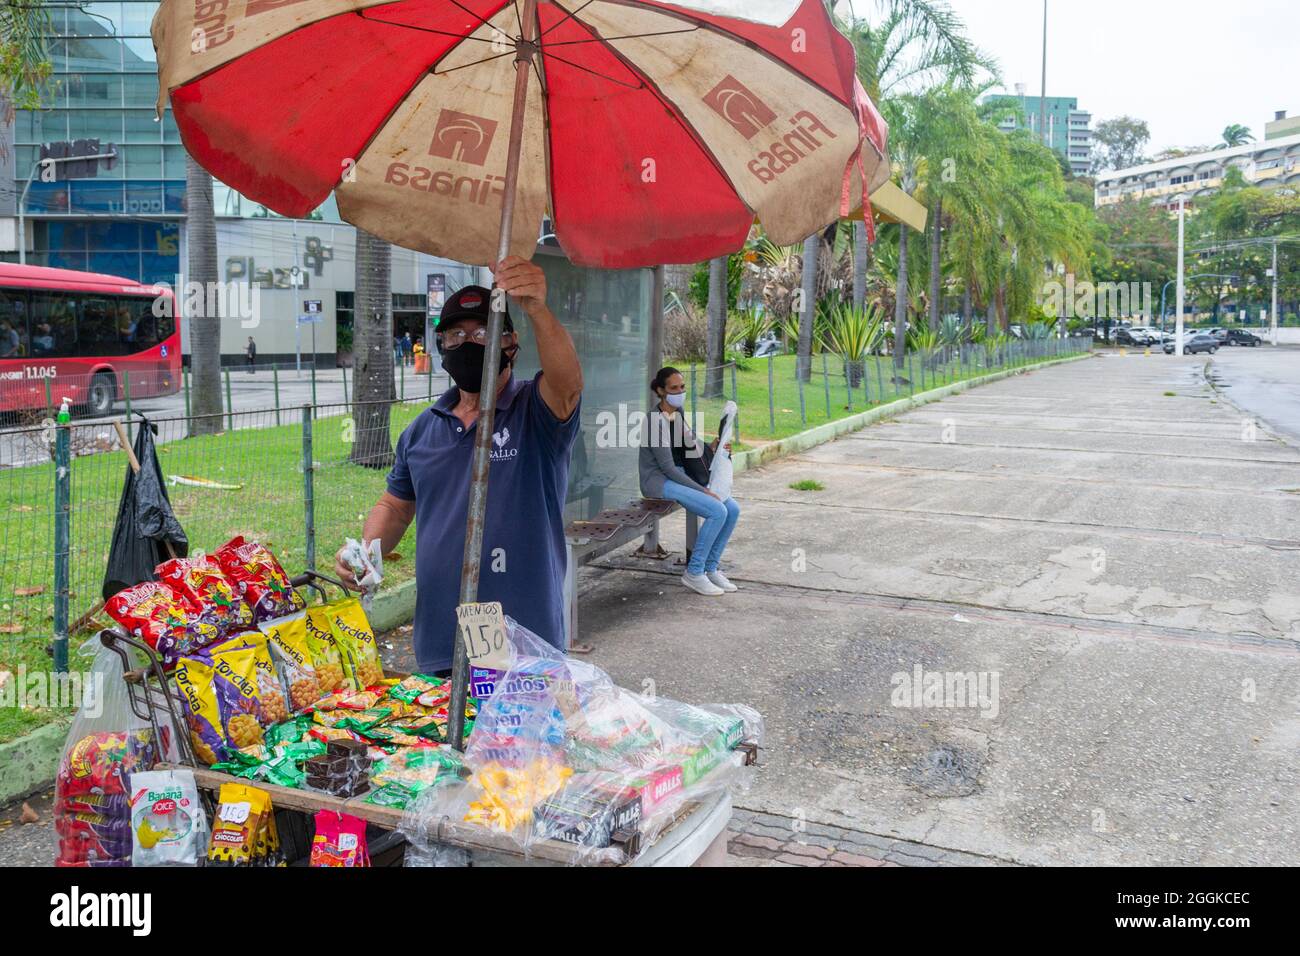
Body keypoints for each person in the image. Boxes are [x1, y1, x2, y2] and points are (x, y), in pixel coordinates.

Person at [335, 257, 583, 676]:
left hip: (523, 637)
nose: (469, 341)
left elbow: (567, 384)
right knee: (451, 742)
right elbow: (395, 508)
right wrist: (365, 554)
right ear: (441, 345)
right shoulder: (421, 431)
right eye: (456, 333)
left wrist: (538, 308)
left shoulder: (534, 411)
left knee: (515, 742)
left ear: (510, 342)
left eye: (484, 332)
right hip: (441, 638)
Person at [639, 367, 741, 597]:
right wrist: (703, 491)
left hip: (680, 475)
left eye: (682, 387)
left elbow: (690, 442)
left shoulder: (678, 412)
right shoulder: (654, 421)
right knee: (717, 510)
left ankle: (710, 568)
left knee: (732, 509)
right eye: (674, 388)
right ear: (660, 390)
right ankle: (694, 573)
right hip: (658, 481)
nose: (680, 392)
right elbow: (666, 468)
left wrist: (713, 447)